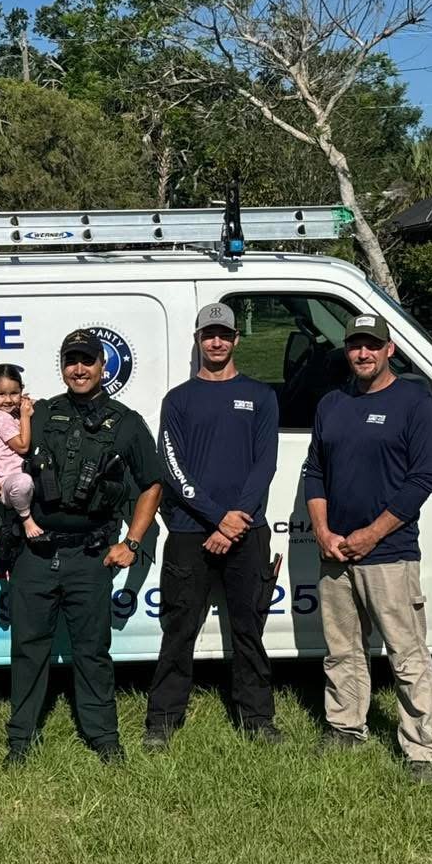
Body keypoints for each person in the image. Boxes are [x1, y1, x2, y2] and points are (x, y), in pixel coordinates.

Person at [4, 329, 165, 767]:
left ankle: (104, 738)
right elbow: (1, 463)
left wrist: (132, 542)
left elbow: (152, 484)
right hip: (35, 555)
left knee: (92, 651)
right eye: (71, 361)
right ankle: (20, 741)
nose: (79, 369)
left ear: (102, 366)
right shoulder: (38, 415)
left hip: (91, 556)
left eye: (87, 361)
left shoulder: (126, 422)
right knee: (28, 648)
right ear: (63, 366)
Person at [302, 311, 432, 783]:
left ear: (390, 350)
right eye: (354, 345)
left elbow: (422, 480)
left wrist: (372, 534)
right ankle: (347, 726)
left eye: (371, 345)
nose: (362, 353)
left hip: (389, 552)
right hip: (337, 552)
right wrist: (323, 533)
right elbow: (315, 472)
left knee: (407, 654)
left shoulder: (414, 403)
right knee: (342, 649)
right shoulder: (332, 403)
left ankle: (423, 749)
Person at [145, 303, 281, 750]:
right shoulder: (178, 400)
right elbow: (173, 467)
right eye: (208, 335)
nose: (216, 342)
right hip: (189, 531)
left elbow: (265, 465)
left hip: (247, 531)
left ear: (236, 339)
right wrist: (215, 517)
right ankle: (162, 721)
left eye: (224, 335)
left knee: (249, 629)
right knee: (179, 629)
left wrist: (236, 519)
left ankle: (257, 719)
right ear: (198, 341)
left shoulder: (261, 396)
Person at [0, 364, 41, 539]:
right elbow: (22, 446)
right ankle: (26, 518)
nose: (8, 400)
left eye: (14, 393)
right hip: (5, 484)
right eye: (1, 394)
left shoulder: (10, 412)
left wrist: (29, 403)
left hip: (17, 481)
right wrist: (25, 416)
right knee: (23, 482)